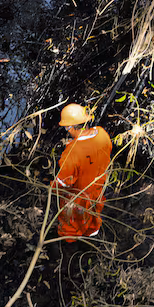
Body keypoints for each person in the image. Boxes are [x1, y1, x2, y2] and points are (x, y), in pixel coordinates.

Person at [52, 103, 112, 242]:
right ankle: (92, 236)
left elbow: (64, 182)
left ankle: (69, 245)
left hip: (79, 195)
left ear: (71, 127)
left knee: (71, 224)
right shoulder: (102, 133)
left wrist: (52, 187)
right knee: (93, 216)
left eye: (66, 127)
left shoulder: (72, 152)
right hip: (98, 190)